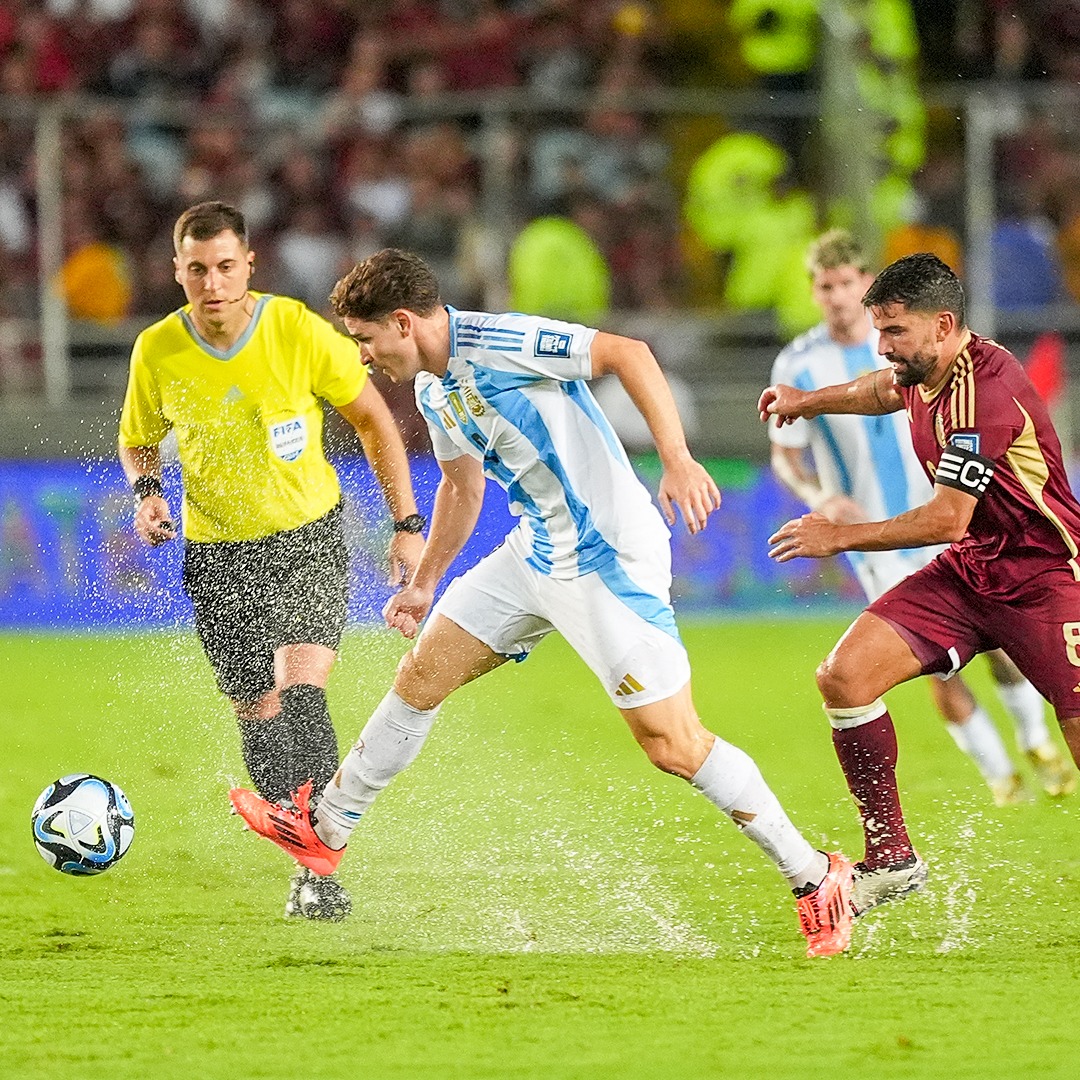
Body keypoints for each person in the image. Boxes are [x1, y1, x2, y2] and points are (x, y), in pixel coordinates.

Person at [231, 247, 857, 958]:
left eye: (366, 340)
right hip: (536, 551)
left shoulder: (501, 340)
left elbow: (630, 353)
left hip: (606, 558)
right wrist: (425, 581)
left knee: (672, 744)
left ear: (403, 323)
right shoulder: (436, 390)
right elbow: (462, 488)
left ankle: (815, 876)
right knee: (420, 676)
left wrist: (677, 458)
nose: (365, 357)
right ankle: (327, 830)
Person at [118, 202, 425, 922]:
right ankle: (305, 865)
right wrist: (149, 491)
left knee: (304, 691)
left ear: (248, 264)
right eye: (197, 270)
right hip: (217, 552)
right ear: (177, 272)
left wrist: (407, 522)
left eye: (226, 266)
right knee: (257, 709)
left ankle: (324, 863)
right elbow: (139, 438)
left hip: (305, 538)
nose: (213, 283)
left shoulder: (293, 328)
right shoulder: (157, 350)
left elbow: (375, 418)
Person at [759, 252, 1080, 915]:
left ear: (942, 324)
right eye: (879, 331)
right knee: (843, 677)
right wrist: (808, 402)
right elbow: (882, 389)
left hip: (1048, 579)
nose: (883, 347)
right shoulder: (926, 367)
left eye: (894, 332)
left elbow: (944, 517)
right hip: (972, 569)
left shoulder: (981, 393)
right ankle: (892, 858)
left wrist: (839, 534)